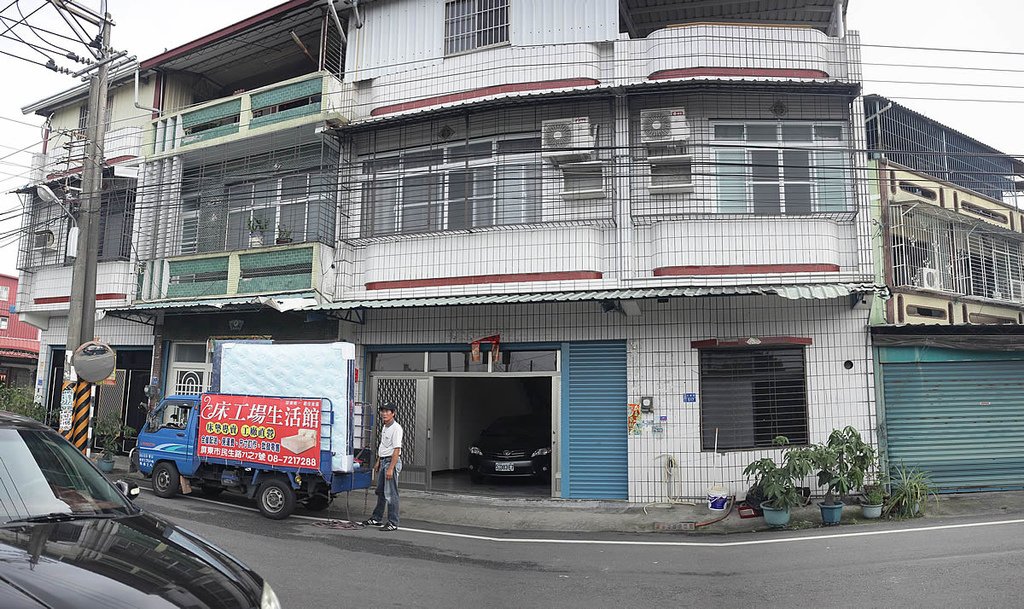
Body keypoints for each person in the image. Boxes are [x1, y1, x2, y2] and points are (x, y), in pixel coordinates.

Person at [361, 403, 403, 531]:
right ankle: (376, 518)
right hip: (384, 461)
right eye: (382, 411)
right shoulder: (385, 426)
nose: (384, 414)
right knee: (381, 492)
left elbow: (396, 449)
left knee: (391, 494)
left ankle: (393, 522)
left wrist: (391, 468)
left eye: (387, 411)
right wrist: (379, 461)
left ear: (393, 413)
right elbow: (383, 445)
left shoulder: (396, 428)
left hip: (391, 462)